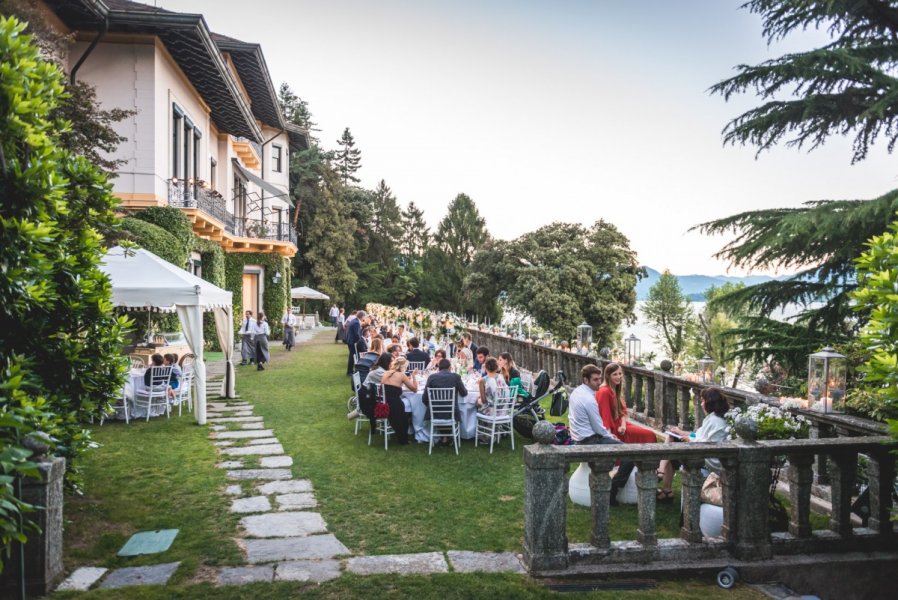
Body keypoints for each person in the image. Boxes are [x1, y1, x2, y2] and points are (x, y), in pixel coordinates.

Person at [568, 364, 633, 506]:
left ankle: (612, 485)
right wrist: (610, 437)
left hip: (579, 438)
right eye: (595, 380)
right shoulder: (589, 399)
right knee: (630, 454)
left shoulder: (576, 392)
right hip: (589, 441)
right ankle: (613, 489)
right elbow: (598, 427)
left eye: (599, 379)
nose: (599, 382)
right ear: (586, 380)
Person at [656, 387, 730, 502]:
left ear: (709, 403)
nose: (701, 404)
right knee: (671, 443)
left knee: (670, 441)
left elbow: (704, 445)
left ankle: (660, 472)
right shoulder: (714, 418)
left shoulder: (715, 421)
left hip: (707, 461)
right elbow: (698, 436)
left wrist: (686, 439)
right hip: (703, 453)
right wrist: (681, 433)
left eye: (703, 401)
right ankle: (667, 491)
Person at [597, 362, 657, 444]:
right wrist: (609, 436)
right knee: (649, 435)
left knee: (650, 434)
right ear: (607, 375)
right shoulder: (604, 391)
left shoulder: (615, 389)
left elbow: (623, 412)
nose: (618, 377)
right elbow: (605, 416)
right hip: (613, 428)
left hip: (622, 425)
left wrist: (623, 426)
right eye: (615, 374)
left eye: (620, 374)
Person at [380, 356, 419, 444]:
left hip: (384, 403)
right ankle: (405, 436)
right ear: (402, 367)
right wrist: (413, 376)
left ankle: (401, 433)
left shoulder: (386, 373)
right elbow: (415, 389)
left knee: (405, 406)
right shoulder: (401, 375)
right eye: (406, 367)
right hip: (394, 405)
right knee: (408, 410)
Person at [422, 358, 467, 423]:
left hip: (435, 413)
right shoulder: (456, 377)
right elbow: (464, 393)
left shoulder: (431, 377)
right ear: (450, 368)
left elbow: (424, 398)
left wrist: (432, 407)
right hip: (452, 413)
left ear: (439, 368)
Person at [344, 310, 365, 375]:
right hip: (352, 341)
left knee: (352, 356)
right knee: (352, 356)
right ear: (362, 316)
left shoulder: (355, 320)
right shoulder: (356, 322)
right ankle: (349, 371)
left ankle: (351, 370)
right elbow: (357, 334)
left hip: (351, 340)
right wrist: (361, 341)